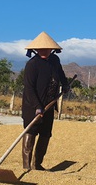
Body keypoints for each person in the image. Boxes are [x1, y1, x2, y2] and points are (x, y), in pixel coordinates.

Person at [21, 31, 69, 170]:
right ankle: (26, 166)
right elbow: (29, 88)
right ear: (35, 50)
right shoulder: (32, 64)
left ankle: (37, 165)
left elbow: (60, 74)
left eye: (47, 49)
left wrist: (65, 84)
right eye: (41, 49)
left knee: (45, 134)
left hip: (50, 105)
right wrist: (37, 106)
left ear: (51, 49)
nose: (44, 51)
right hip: (32, 107)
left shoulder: (55, 61)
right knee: (30, 133)